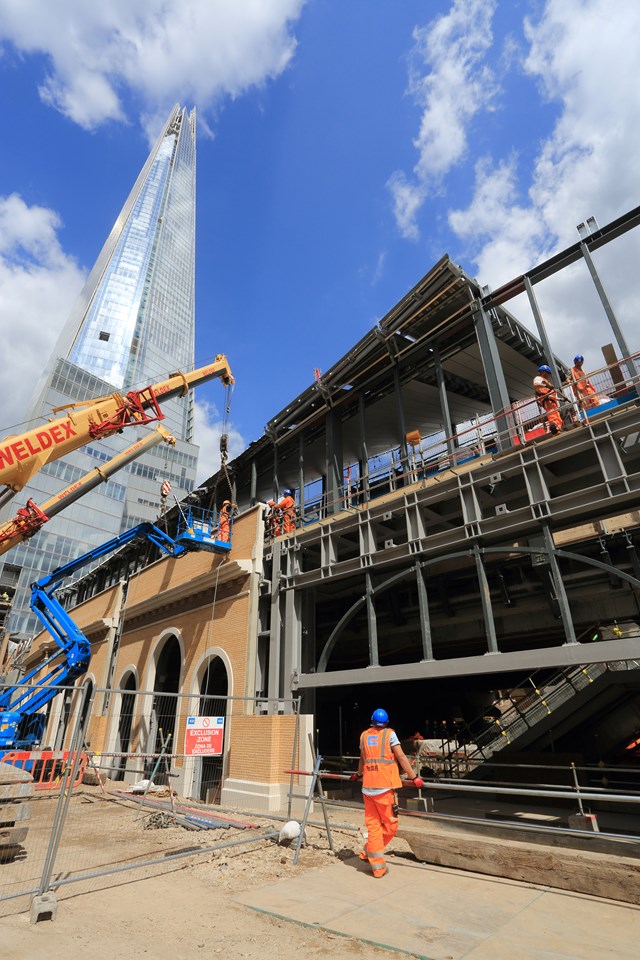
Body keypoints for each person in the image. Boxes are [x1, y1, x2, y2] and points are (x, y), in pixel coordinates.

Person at [352, 708, 423, 878]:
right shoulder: (389, 734)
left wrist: (359, 774)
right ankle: (371, 853)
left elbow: (363, 759)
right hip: (383, 788)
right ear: (386, 722)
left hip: (367, 788)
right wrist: (414, 777)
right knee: (391, 825)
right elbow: (401, 757)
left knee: (374, 825)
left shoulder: (364, 736)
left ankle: (375, 863)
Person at [533, 365, 563, 435]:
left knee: (556, 415)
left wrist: (559, 399)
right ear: (544, 372)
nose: (549, 375)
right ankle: (554, 429)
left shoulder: (545, 381)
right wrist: (547, 385)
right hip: (548, 401)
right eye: (548, 373)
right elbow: (535, 384)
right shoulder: (539, 378)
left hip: (551, 401)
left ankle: (557, 429)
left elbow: (550, 393)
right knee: (552, 415)